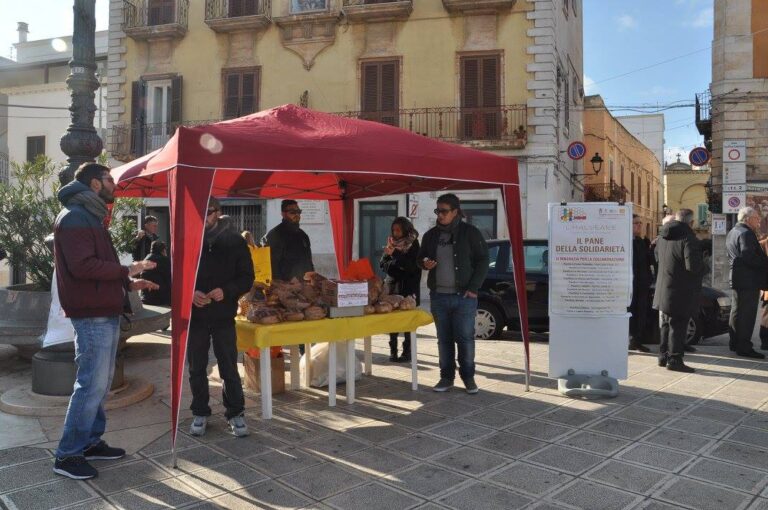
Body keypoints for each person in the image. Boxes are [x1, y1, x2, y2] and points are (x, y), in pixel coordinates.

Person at [52, 162, 158, 480]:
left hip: (104, 310)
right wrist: (128, 270)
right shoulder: (75, 218)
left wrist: (128, 284)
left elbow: (100, 265)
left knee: (99, 385)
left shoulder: (90, 216)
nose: (114, 184)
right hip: (92, 315)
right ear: (95, 184)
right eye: (109, 179)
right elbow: (84, 267)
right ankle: (67, 455)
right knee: (90, 386)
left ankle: (90, 443)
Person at [188, 197, 255, 438]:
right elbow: (177, 275)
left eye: (209, 212)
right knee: (196, 367)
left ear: (218, 213)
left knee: (228, 365)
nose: (204, 217)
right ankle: (200, 411)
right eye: (200, 212)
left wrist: (226, 291)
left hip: (223, 313)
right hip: (195, 315)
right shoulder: (188, 238)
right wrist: (190, 292)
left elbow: (247, 277)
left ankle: (236, 413)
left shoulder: (235, 241)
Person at [418, 193, 488, 394]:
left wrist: (474, 288)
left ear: (455, 212)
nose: (440, 215)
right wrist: (424, 263)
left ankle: (468, 378)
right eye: (437, 211)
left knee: (465, 339)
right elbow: (420, 258)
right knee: (444, 339)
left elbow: (483, 259)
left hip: (464, 298)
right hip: (439, 297)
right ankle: (446, 378)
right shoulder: (431, 235)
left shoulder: (470, 233)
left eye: (444, 211)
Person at [653, 208, 705, 373]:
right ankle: (675, 359)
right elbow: (694, 267)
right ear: (691, 222)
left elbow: (656, 259)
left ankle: (663, 356)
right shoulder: (688, 239)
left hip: (663, 287)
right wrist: (705, 265)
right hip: (681, 290)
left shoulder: (661, 238)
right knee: (678, 325)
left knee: (667, 324)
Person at [726, 206, 768, 359]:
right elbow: (748, 257)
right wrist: (765, 262)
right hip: (749, 280)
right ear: (748, 218)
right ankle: (744, 346)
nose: (759, 220)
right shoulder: (746, 234)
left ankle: (734, 342)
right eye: (756, 218)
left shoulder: (733, 232)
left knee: (737, 311)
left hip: (738, 278)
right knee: (747, 315)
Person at [380, 217, 422, 362]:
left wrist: (395, 256)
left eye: (398, 230)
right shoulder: (392, 243)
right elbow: (383, 263)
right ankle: (393, 350)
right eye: (394, 230)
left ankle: (407, 352)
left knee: (408, 321)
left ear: (405, 229)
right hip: (393, 286)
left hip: (408, 287)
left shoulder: (413, 244)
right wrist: (395, 265)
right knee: (393, 320)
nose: (396, 233)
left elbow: (412, 267)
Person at [265, 200, 314, 281]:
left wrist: (312, 277)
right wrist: (282, 286)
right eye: (292, 212)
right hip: (285, 288)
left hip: (305, 285)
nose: (297, 215)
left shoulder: (303, 236)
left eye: (298, 211)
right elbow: (272, 265)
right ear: (283, 214)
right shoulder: (275, 235)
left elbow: (309, 261)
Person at [629, 215, 653, 353]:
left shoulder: (642, 241)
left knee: (641, 312)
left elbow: (647, 261)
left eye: (640, 223)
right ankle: (631, 339)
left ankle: (637, 340)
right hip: (631, 284)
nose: (639, 226)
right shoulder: (625, 241)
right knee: (631, 312)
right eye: (636, 223)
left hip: (642, 284)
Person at [140, 240, 171, 306]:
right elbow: (170, 278)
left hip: (146, 298)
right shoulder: (164, 260)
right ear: (163, 250)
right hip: (159, 299)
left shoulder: (146, 260)